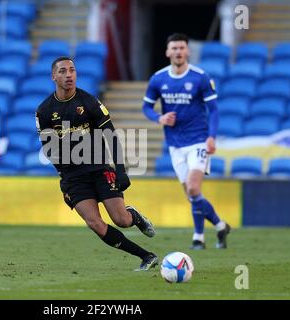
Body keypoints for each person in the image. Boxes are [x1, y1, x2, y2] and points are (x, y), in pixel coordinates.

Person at [36, 57, 158, 271]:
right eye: (63, 71)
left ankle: (134, 216)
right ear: (53, 77)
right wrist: (63, 176)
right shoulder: (44, 110)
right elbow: (49, 149)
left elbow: (110, 135)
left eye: (72, 70)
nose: (69, 75)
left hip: (98, 168)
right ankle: (146, 256)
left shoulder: (89, 102)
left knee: (121, 219)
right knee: (95, 224)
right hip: (73, 177)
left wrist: (120, 170)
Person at [142, 33, 231, 250]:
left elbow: (214, 111)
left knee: (192, 188)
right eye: (174, 48)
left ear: (188, 51)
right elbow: (146, 107)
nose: (178, 52)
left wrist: (211, 136)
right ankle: (220, 226)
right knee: (193, 195)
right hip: (174, 145)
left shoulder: (200, 77)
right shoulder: (158, 79)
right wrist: (159, 118)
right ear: (167, 52)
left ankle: (198, 237)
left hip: (198, 141)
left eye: (182, 48)